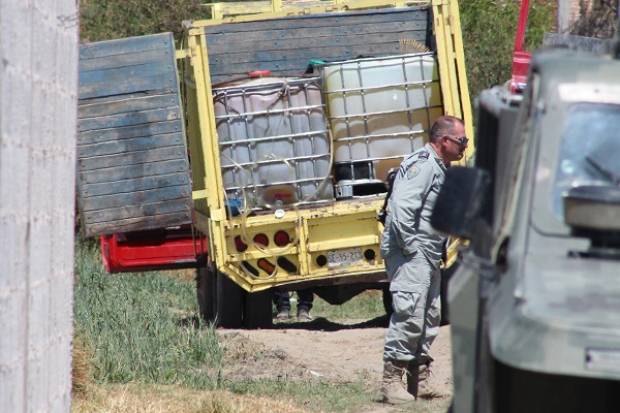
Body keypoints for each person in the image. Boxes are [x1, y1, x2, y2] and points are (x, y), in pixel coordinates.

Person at [379, 115, 468, 404]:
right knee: (410, 314)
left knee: (429, 316)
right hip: (412, 252)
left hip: (429, 253)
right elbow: (402, 207)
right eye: (461, 141)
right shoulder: (424, 164)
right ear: (444, 141)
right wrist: (410, 248)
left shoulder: (441, 167)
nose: (464, 146)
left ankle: (419, 378)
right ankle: (391, 381)